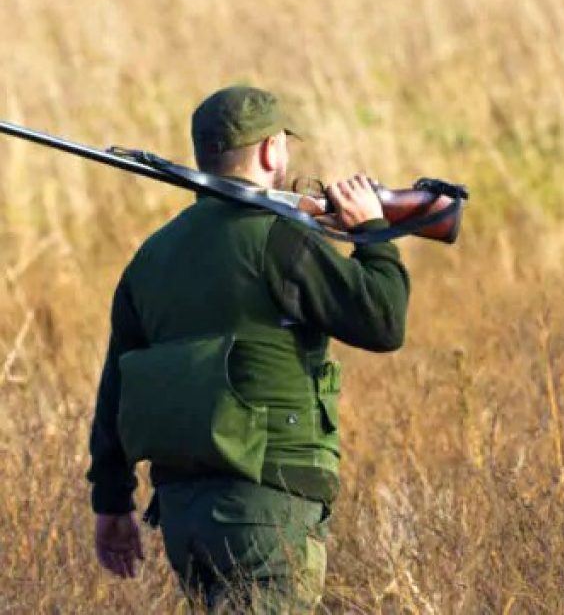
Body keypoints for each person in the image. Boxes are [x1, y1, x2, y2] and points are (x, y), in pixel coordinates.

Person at [87, 85, 410, 612]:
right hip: (268, 504)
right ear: (270, 152)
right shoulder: (278, 240)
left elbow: (115, 390)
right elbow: (384, 321)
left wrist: (110, 502)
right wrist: (373, 232)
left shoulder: (150, 257)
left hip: (183, 515)